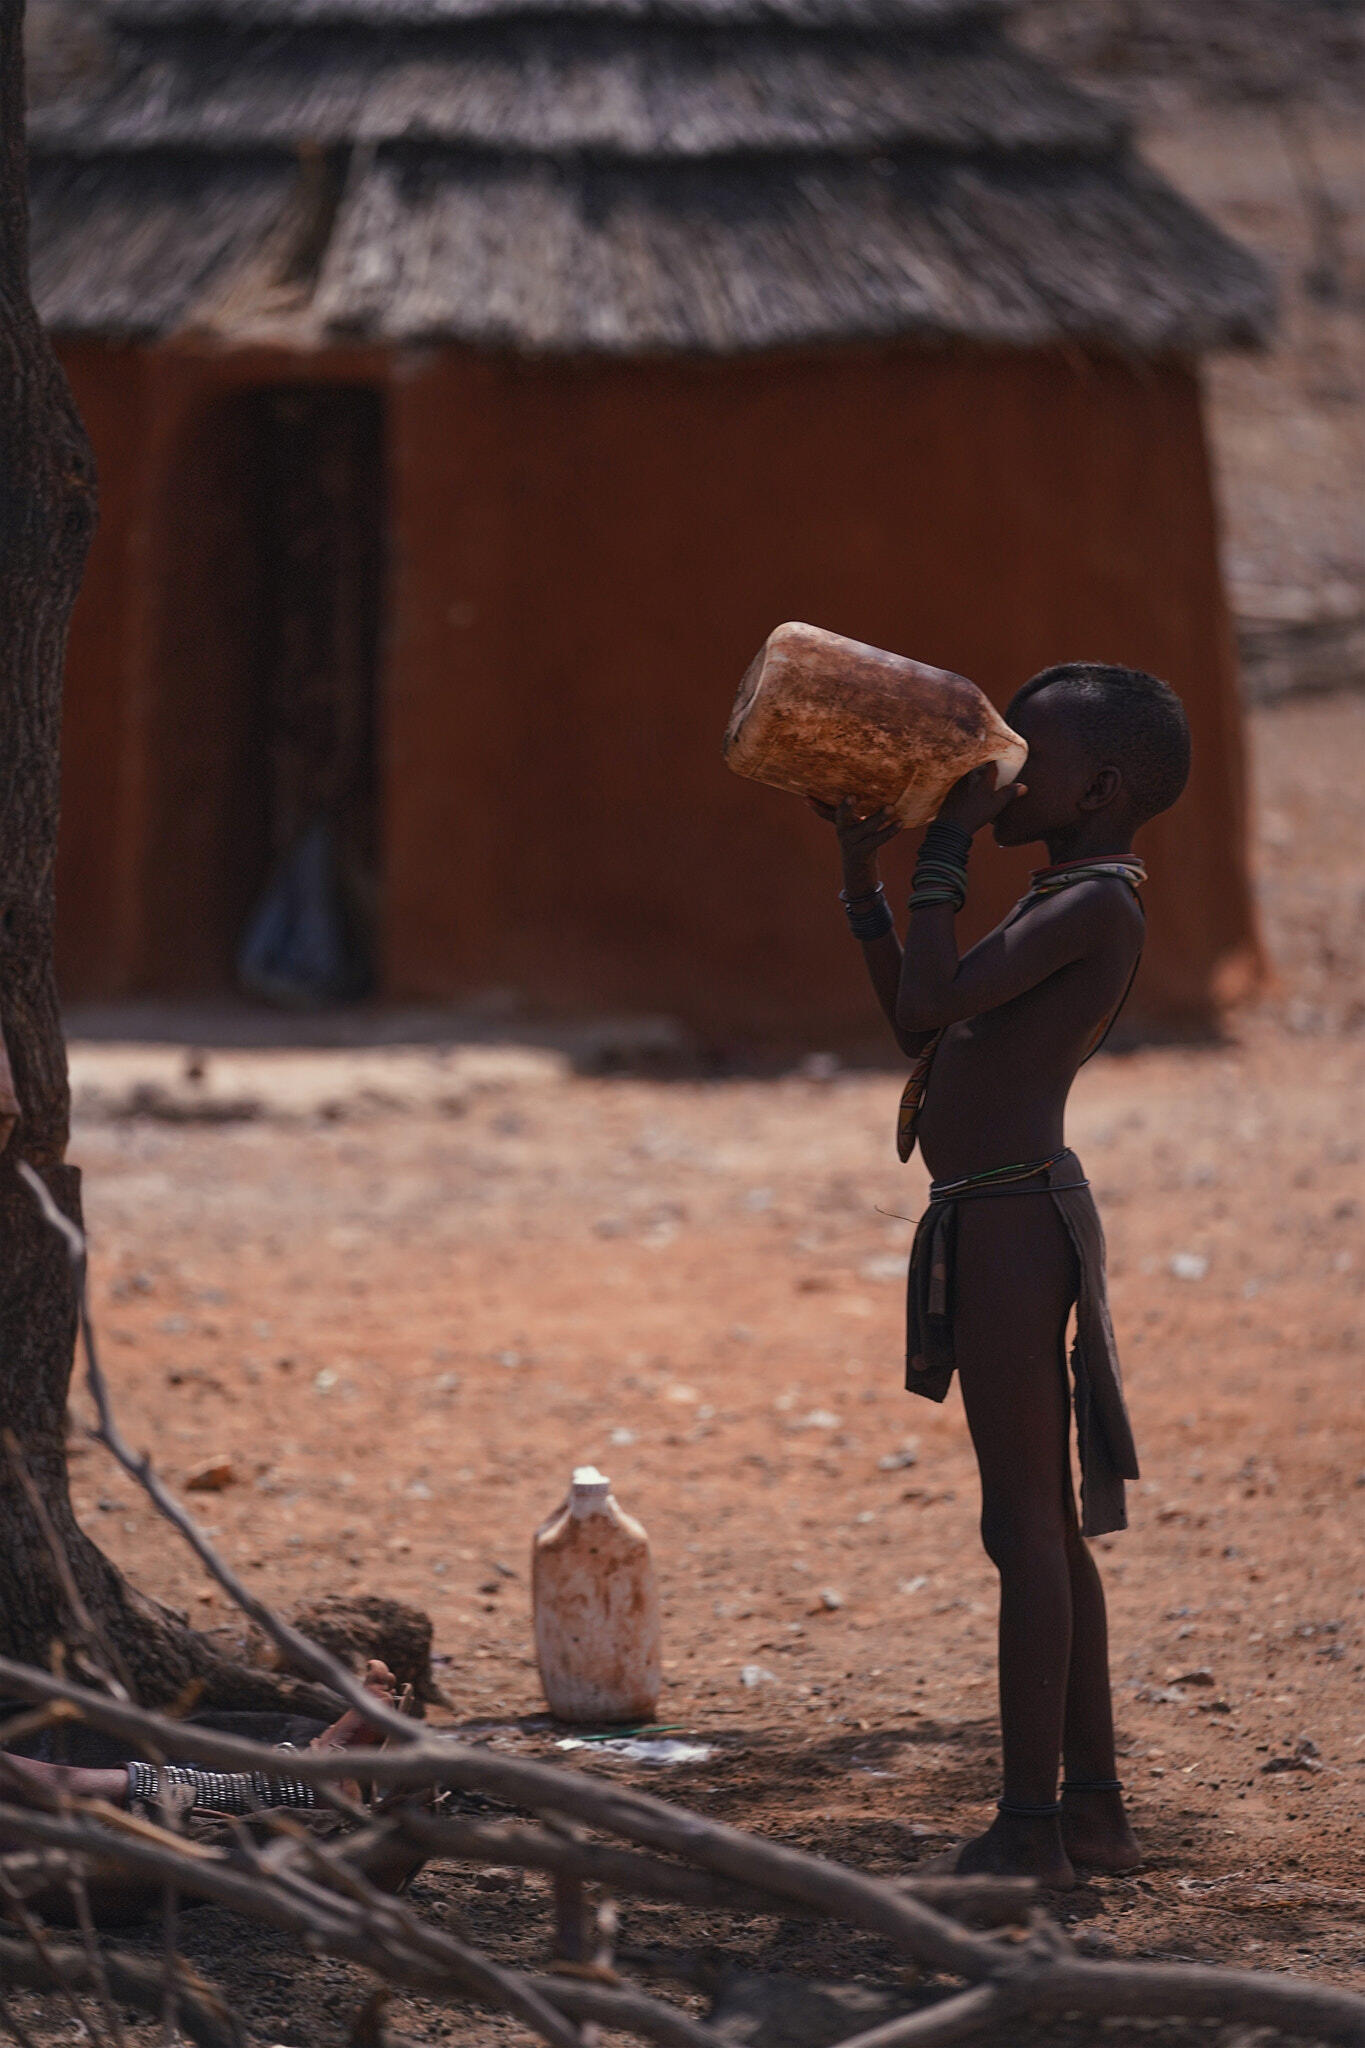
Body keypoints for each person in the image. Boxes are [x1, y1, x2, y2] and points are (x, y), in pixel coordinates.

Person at [813, 661, 1191, 1886]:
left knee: (1025, 1522)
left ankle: (1035, 1827)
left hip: (1015, 1221)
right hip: (998, 1214)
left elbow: (933, 992)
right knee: (1034, 1521)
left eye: (1026, 758)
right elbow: (923, 1022)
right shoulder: (1068, 896)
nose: (1001, 773)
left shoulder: (1096, 903)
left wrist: (946, 841)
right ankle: (1094, 1815)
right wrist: (865, 883)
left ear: (1100, 788)